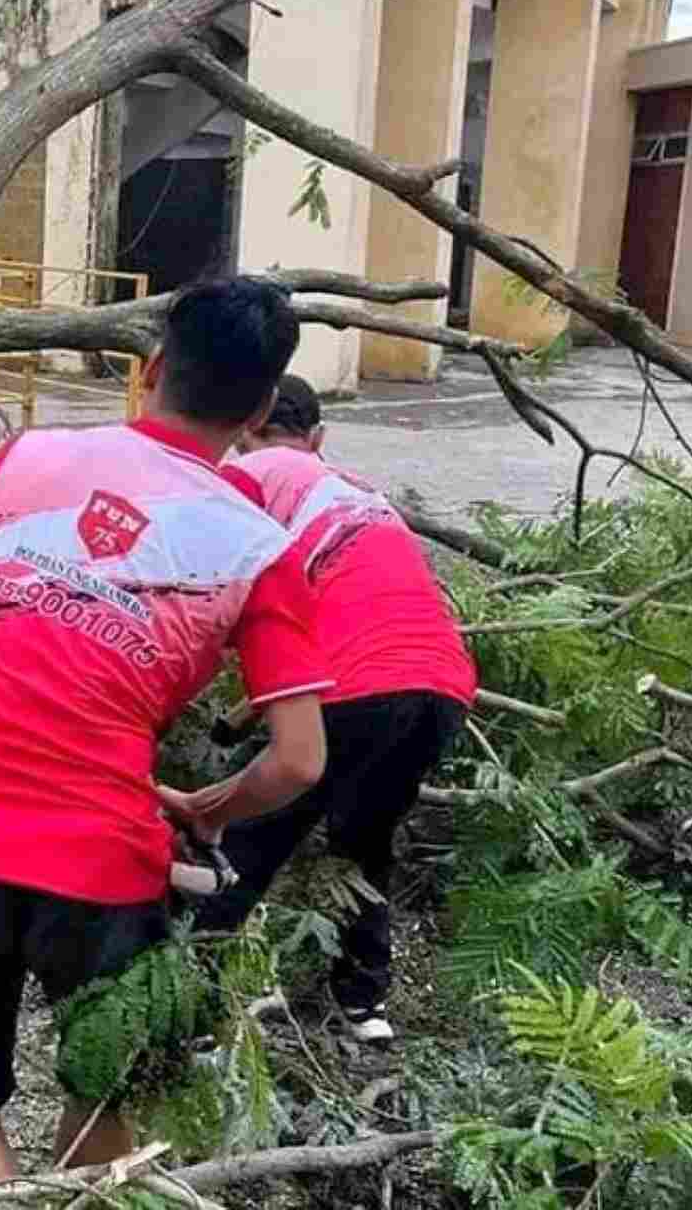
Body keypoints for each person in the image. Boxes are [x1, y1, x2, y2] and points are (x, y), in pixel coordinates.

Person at [0, 277, 332, 1180]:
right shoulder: (257, 545)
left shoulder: (26, 458)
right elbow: (300, 760)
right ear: (259, 411)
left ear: (153, 368)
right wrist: (211, 808)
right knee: (103, 1090)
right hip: (104, 862)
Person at [192, 374, 478, 1043]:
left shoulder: (250, 474)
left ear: (245, 428)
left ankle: (191, 1015)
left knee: (246, 840)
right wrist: (242, 714)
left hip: (356, 685)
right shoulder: (359, 494)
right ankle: (363, 1005)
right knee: (364, 842)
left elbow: (216, 594)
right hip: (441, 685)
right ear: (318, 438)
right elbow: (330, 624)